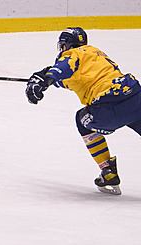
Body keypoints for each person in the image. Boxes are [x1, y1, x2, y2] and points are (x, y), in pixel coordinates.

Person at [25, 27, 141, 195]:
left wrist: (44, 80)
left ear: (66, 46)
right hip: (135, 96)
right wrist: (45, 80)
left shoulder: (72, 55)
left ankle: (108, 171)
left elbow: (63, 68)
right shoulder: (95, 52)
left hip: (110, 105)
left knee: (83, 121)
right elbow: (69, 80)